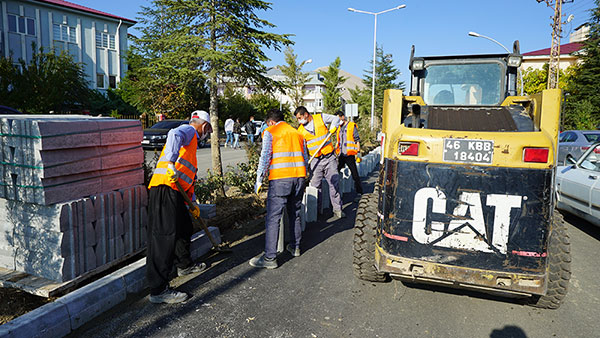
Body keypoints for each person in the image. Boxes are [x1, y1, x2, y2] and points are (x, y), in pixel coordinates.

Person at [146, 110, 213, 304]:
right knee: (163, 238)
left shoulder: (192, 146)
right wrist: (170, 162)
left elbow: (186, 178)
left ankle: (184, 265)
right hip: (165, 187)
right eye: (208, 129)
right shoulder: (190, 131)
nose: (207, 133)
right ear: (204, 126)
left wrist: (191, 205)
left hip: (175, 192)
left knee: (184, 227)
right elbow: (174, 134)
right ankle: (158, 290)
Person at [250, 109, 308, 269]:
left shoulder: (271, 132)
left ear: (271, 122)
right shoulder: (298, 133)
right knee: (295, 213)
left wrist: (259, 179)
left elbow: (265, 156)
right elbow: (305, 158)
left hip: (280, 180)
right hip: (299, 178)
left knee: (273, 217)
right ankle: (295, 247)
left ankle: (270, 258)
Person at [294, 106, 344, 222]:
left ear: (306, 114)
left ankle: (337, 209)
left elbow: (336, 119)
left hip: (329, 157)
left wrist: (333, 127)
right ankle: (316, 211)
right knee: (315, 186)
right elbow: (302, 149)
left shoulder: (320, 118)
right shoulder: (300, 131)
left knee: (334, 183)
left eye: (299, 118)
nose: (299, 121)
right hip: (315, 160)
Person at [335, 111, 363, 194]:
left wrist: (358, 152)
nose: (337, 120)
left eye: (338, 118)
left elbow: (357, 140)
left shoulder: (351, 126)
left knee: (355, 174)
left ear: (343, 117)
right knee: (335, 172)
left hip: (349, 155)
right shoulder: (338, 128)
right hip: (341, 154)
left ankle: (359, 192)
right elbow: (338, 141)